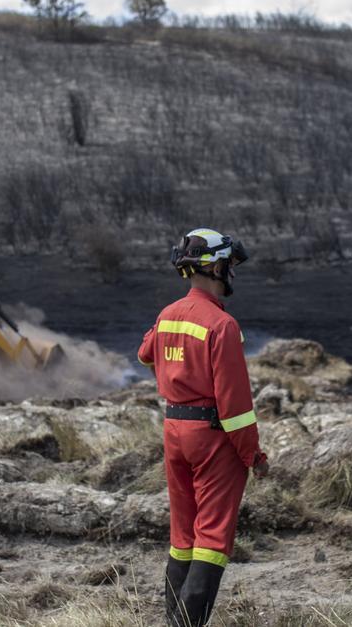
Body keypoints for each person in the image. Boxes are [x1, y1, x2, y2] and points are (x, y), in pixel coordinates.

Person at [138, 228, 269, 627]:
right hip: (213, 439)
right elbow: (236, 408)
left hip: (174, 431)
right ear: (215, 267)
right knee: (211, 540)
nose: (232, 273)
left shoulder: (167, 315)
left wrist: (177, 364)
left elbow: (146, 355)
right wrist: (253, 455)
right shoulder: (222, 325)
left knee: (183, 537)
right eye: (229, 264)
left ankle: (171, 620)